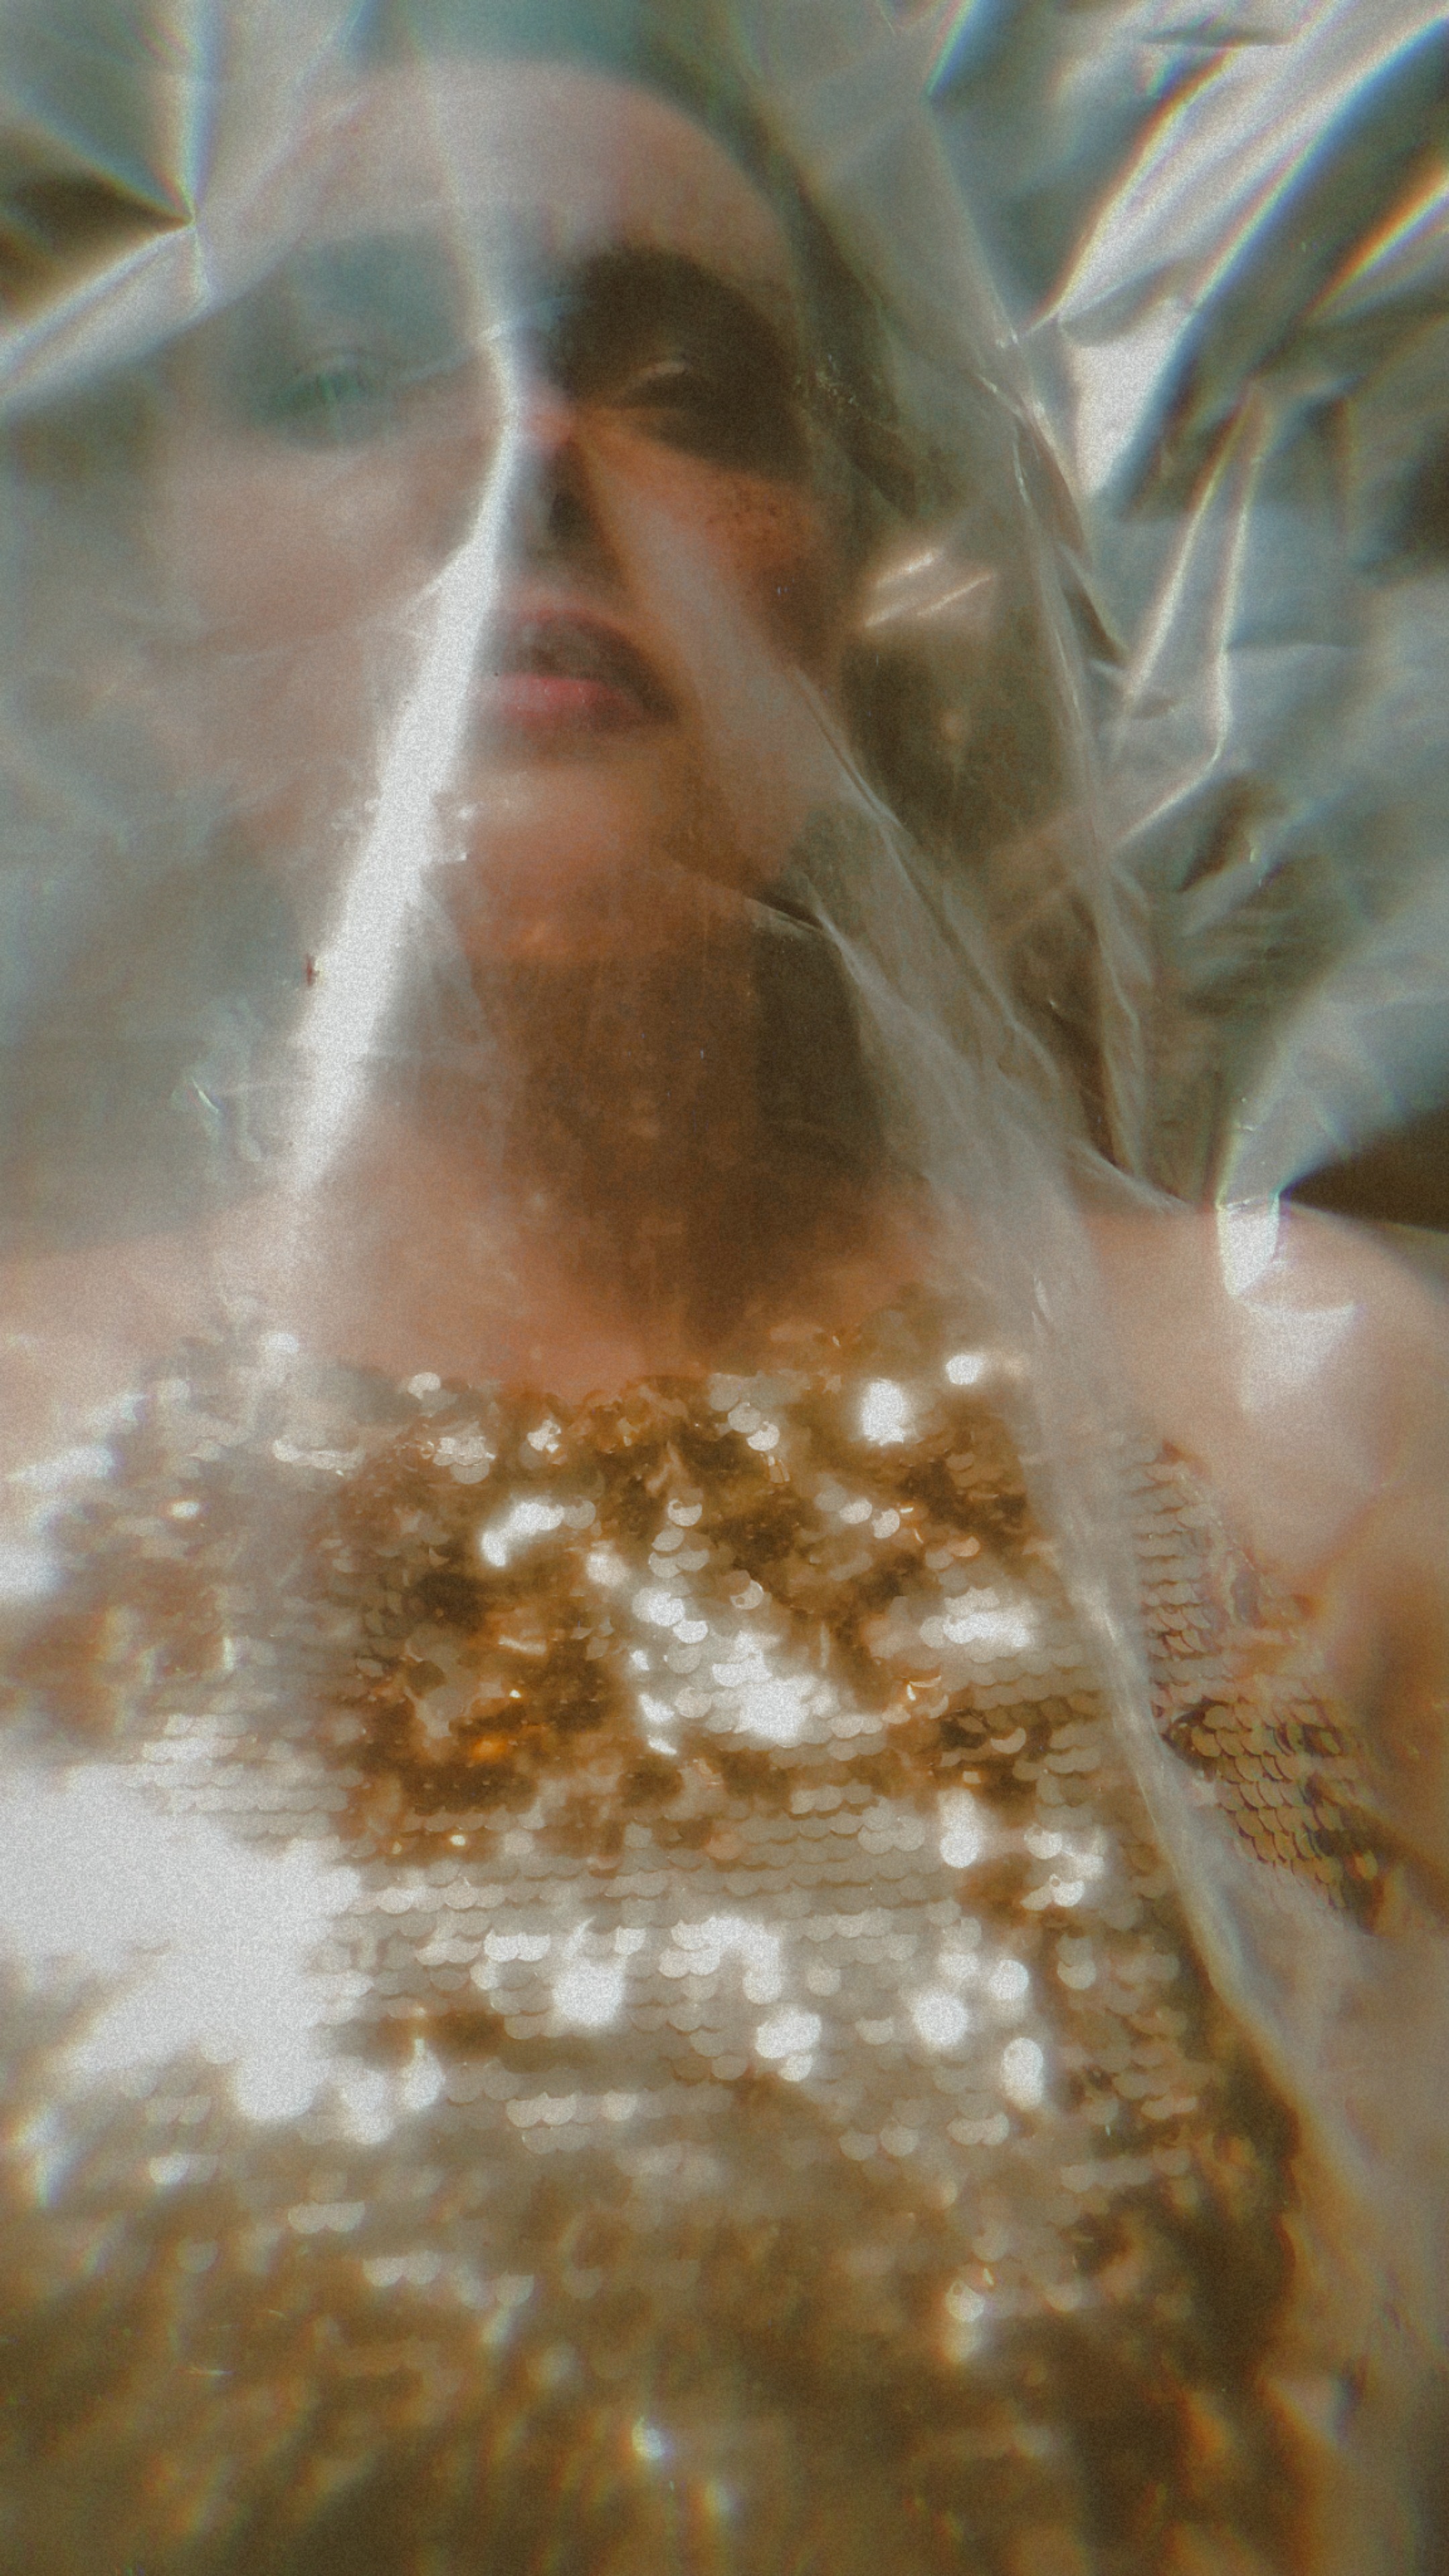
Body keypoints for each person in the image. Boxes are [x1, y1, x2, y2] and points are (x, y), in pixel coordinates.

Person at [0, 4, 1444, 2570]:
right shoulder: (14, 1447)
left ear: (860, 595)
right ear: (140, 623)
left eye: (688, 387)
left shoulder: (1301, 1407)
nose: (532, 453)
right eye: (348, 375)